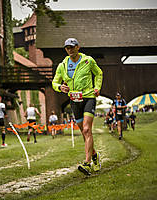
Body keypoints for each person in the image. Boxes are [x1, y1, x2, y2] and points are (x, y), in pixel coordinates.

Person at [52, 38, 103, 176]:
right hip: (74, 101)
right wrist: (59, 87)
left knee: (87, 129)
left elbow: (98, 73)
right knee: (84, 133)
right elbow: (54, 82)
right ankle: (95, 156)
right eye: (68, 48)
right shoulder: (62, 65)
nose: (70, 50)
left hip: (88, 97)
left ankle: (87, 163)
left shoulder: (88, 61)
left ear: (78, 47)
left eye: (73, 47)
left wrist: (97, 87)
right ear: (66, 49)